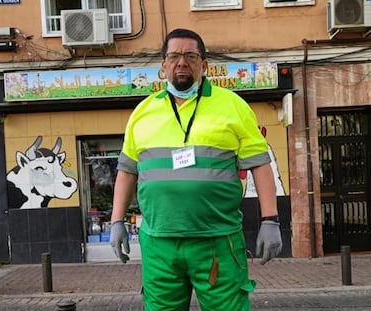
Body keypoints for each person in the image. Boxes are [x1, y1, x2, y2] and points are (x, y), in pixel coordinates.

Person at [110, 28, 282, 311]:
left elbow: (260, 165)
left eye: (190, 55)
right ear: (163, 65)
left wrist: (271, 220)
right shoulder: (142, 112)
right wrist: (117, 221)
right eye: (174, 56)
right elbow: (127, 171)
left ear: (204, 65)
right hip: (159, 243)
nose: (182, 62)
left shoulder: (233, 106)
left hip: (217, 242)